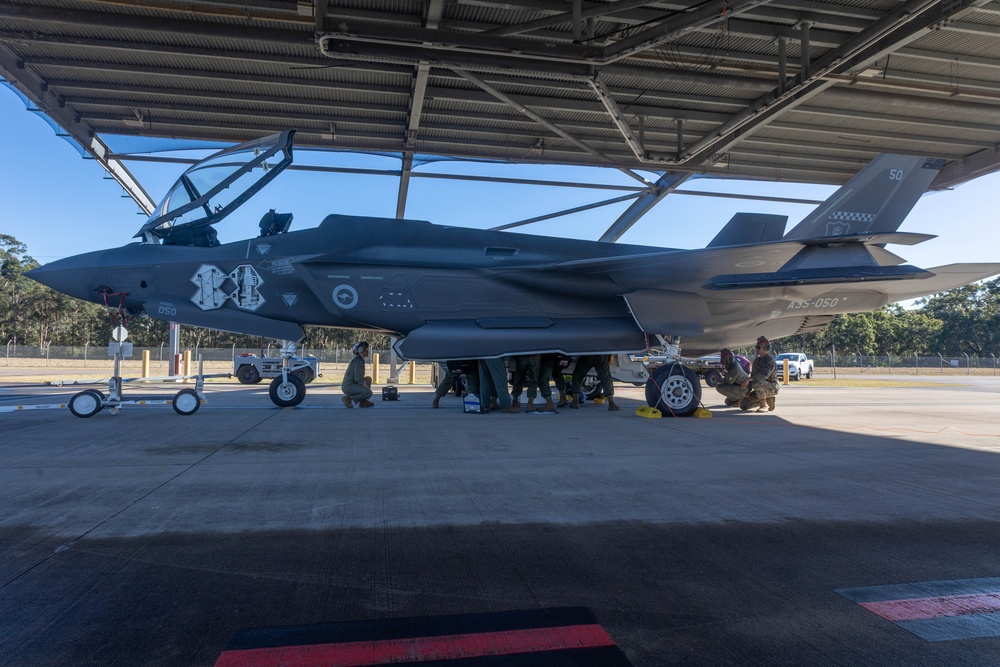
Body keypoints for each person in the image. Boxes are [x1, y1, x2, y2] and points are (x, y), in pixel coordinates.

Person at [740, 336, 779, 412]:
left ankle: (763, 405)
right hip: (760, 389)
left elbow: (763, 376)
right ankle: (768, 399)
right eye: (756, 347)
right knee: (743, 405)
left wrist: (747, 379)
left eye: (758, 347)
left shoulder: (770, 361)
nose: (756, 349)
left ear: (765, 348)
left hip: (772, 387)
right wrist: (748, 391)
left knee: (757, 382)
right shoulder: (756, 361)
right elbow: (753, 376)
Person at [342, 341, 374, 408]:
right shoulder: (358, 361)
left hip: (351, 384)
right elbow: (358, 378)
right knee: (368, 393)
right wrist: (366, 387)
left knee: (368, 379)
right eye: (365, 349)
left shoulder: (359, 359)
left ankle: (363, 401)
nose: (367, 351)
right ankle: (348, 399)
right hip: (349, 386)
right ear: (360, 350)